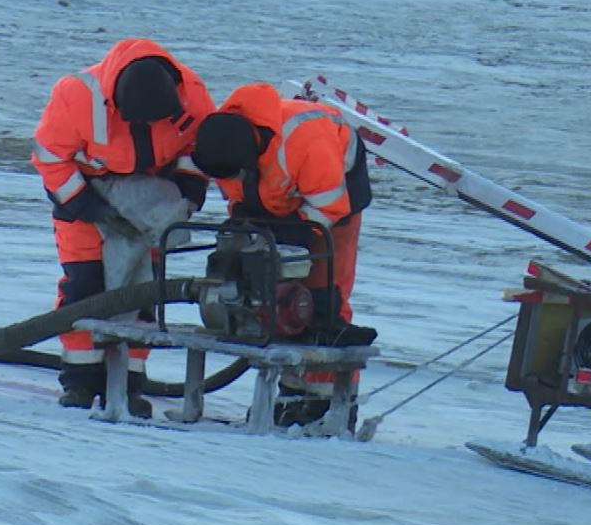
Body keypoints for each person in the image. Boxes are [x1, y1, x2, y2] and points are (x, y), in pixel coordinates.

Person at [31, 38, 215, 417]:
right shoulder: (76, 96)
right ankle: (82, 380)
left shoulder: (193, 95)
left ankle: (130, 380)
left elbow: (198, 154)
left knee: (142, 292)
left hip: (149, 205)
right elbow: (50, 158)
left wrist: (185, 198)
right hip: (87, 198)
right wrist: (89, 207)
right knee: (85, 287)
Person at [191, 82, 376, 426]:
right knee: (271, 293)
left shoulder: (307, 139)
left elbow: (329, 207)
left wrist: (291, 240)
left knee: (320, 294)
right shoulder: (222, 146)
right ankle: (290, 392)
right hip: (277, 194)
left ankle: (325, 401)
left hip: (334, 196)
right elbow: (238, 200)